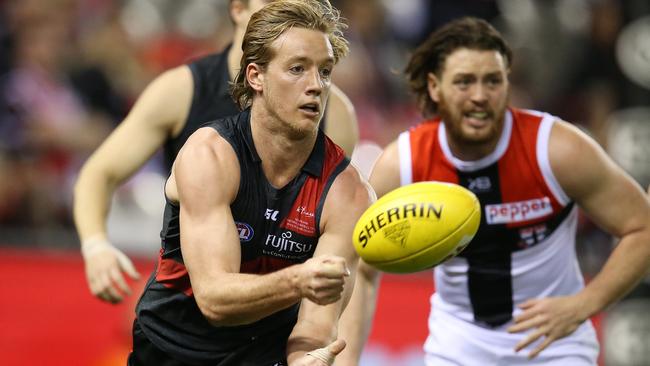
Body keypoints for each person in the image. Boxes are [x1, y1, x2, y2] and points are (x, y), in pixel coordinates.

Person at [338, 17, 650, 365]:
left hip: (554, 345)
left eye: (493, 81)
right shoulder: (405, 162)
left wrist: (583, 305)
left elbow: (642, 227)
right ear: (434, 86)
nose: (480, 96)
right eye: (464, 82)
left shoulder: (557, 150)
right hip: (458, 346)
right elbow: (358, 265)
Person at [126, 1, 373, 365]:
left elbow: (317, 322)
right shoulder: (209, 155)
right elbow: (214, 299)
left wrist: (306, 358)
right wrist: (299, 280)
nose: (316, 86)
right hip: (170, 352)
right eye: (297, 69)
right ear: (256, 76)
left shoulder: (348, 192)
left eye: (324, 71)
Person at [73, 0, 359, 304]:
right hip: (191, 291)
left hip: (275, 304)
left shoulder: (334, 112)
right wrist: (96, 246)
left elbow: (334, 227)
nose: (284, 12)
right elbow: (100, 172)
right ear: (238, 9)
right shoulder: (183, 90)